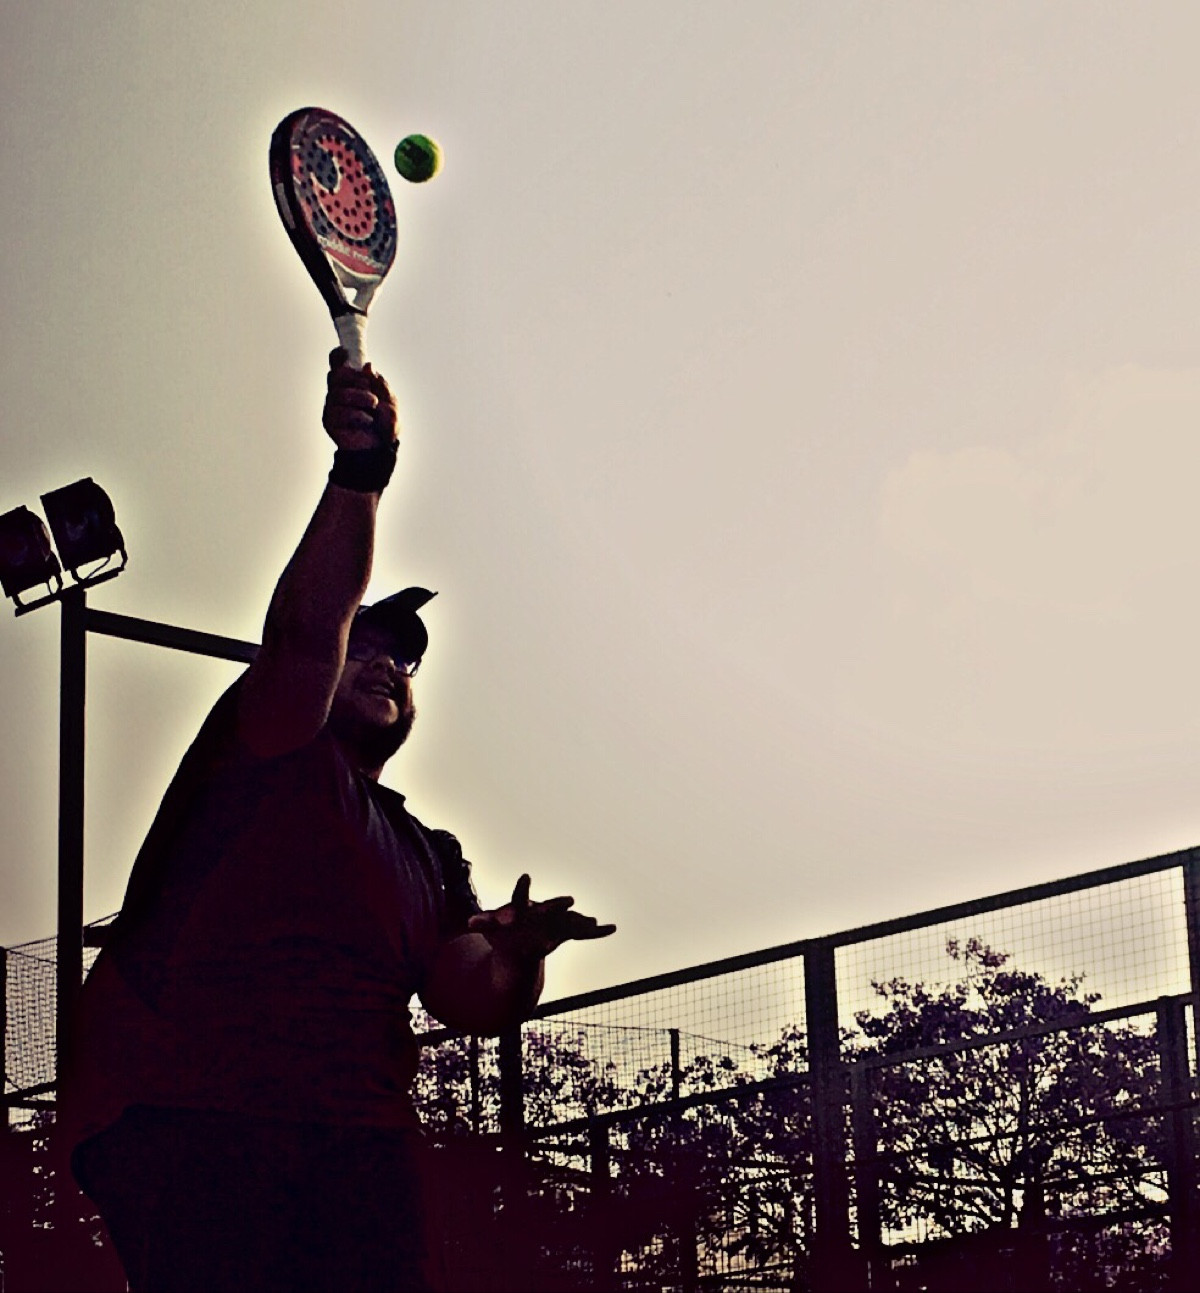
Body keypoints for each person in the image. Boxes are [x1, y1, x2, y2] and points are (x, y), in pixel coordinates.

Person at [61, 350, 615, 1293]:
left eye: (405, 659)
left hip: (361, 1143)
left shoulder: (430, 855)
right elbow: (307, 634)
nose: (388, 662)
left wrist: (520, 957)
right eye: (370, 643)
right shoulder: (272, 746)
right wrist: (361, 472)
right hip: (196, 1119)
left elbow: (466, 992)